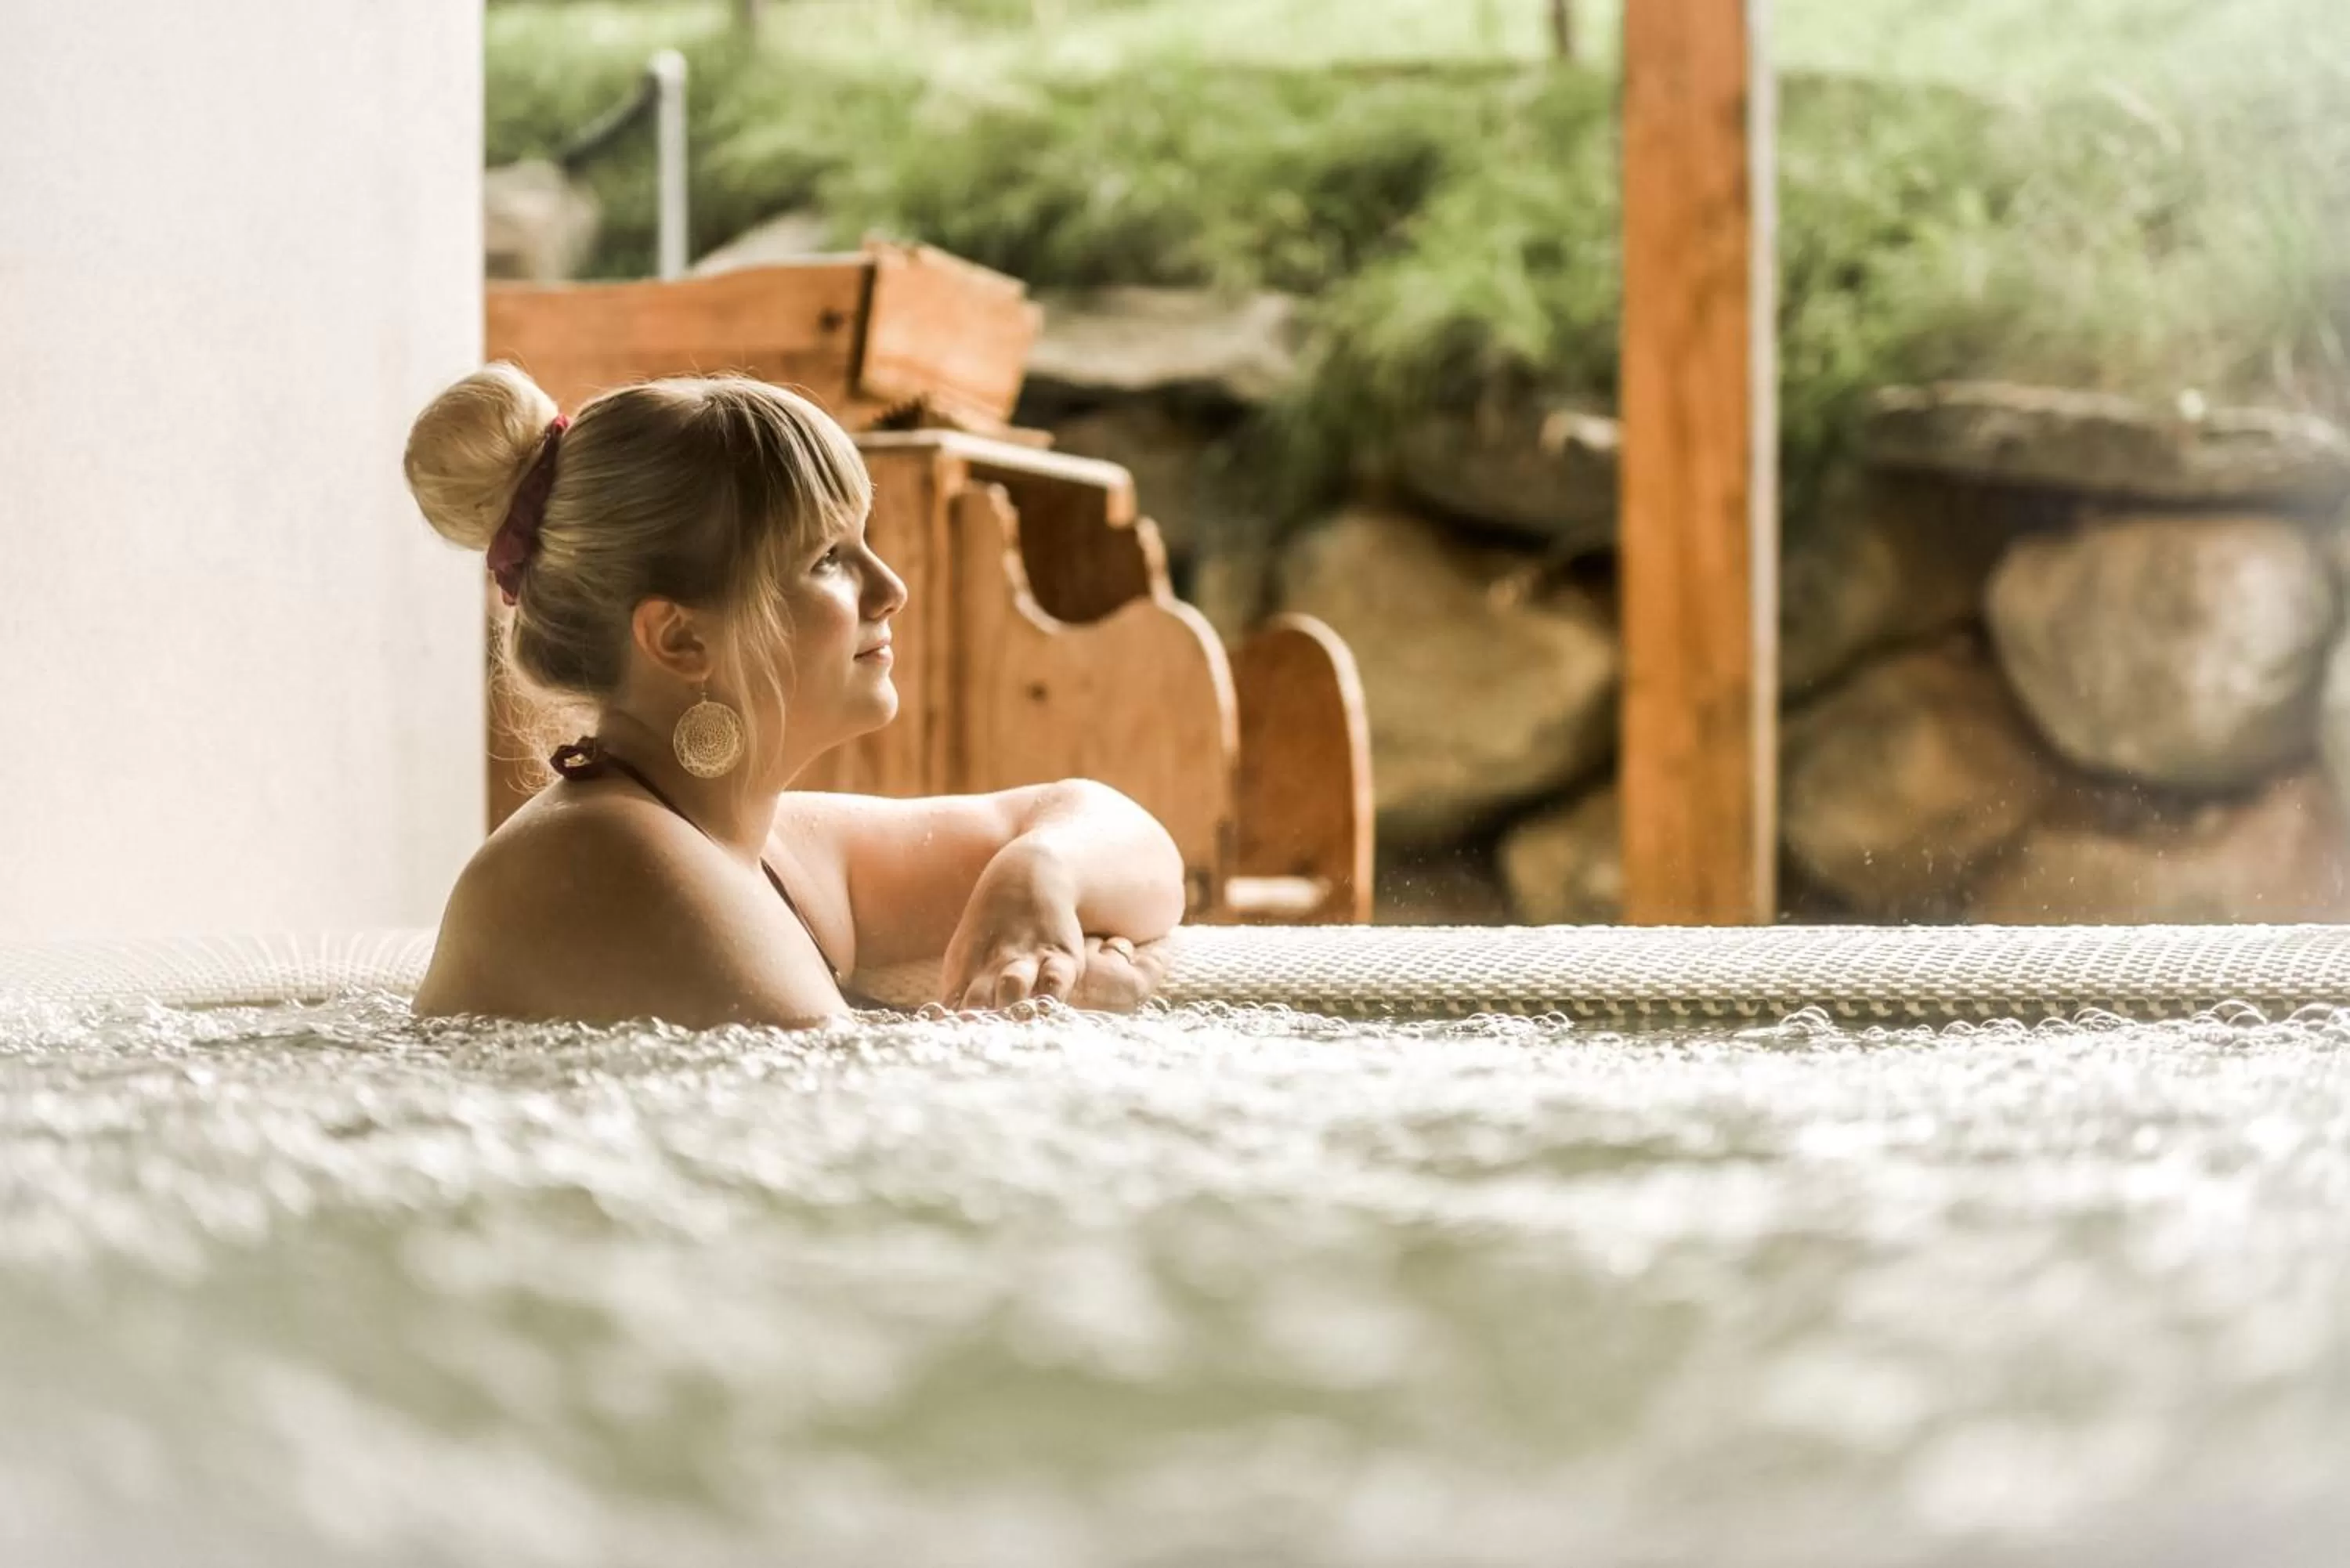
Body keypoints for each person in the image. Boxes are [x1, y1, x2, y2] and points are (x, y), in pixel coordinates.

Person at [400, 364, 1184, 1027]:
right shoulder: (608, 858)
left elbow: (1130, 840)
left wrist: (1039, 869)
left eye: (863, 542)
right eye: (827, 559)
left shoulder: (749, 847)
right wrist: (1066, 1023)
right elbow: (861, 1148)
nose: (890, 588)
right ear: (680, 638)